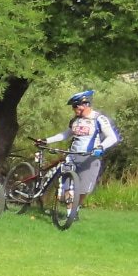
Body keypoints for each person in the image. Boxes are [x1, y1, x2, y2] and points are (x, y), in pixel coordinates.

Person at [39, 89, 121, 220]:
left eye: (75, 106)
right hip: (72, 156)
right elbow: (66, 134)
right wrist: (47, 140)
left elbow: (112, 137)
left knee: (83, 189)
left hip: (90, 158)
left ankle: (75, 210)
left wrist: (101, 147)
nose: (74, 109)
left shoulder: (99, 119)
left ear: (85, 105)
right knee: (67, 186)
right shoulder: (76, 120)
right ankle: (70, 215)